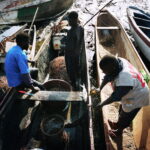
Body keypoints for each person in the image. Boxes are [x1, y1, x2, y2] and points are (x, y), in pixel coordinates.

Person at [95, 55, 149, 137]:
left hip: (137, 97)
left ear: (112, 68)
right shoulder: (119, 61)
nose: (103, 72)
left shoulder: (125, 78)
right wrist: (100, 88)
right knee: (123, 109)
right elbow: (108, 76)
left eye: (105, 70)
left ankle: (119, 131)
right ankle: (118, 124)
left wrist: (102, 104)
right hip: (132, 92)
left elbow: (115, 97)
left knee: (127, 115)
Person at [65, 11, 84, 90]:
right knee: (77, 68)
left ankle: (73, 85)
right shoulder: (81, 28)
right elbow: (80, 42)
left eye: (69, 20)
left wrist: (63, 47)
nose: (68, 22)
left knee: (71, 71)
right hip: (77, 53)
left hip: (71, 55)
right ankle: (78, 81)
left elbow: (69, 47)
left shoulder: (71, 32)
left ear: (74, 20)